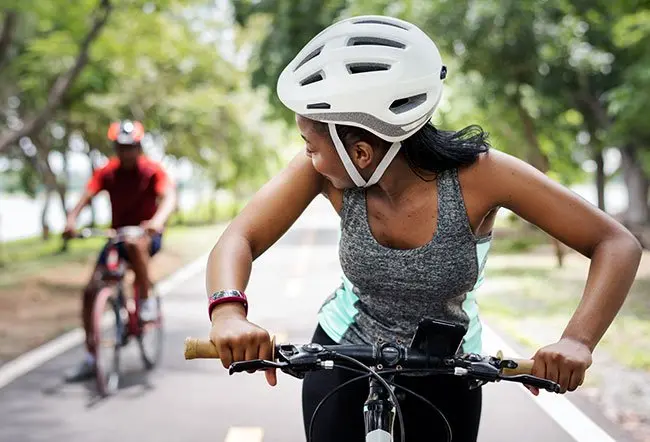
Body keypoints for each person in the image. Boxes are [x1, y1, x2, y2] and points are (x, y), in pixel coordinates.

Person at [204, 15, 642, 442]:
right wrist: (228, 313)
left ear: (359, 153)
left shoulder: (481, 176)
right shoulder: (323, 171)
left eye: (311, 145)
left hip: (447, 367)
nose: (307, 157)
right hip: (343, 357)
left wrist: (577, 341)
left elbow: (615, 244)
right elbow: (240, 237)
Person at [63, 120, 176, 382]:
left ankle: (145, 302)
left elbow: (170, 197)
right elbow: (85, 198)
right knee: (91, 290)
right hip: (116, 236)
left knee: (135, 245)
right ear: (115, 148)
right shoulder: (107, 172)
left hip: (146, 236)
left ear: (139, 147)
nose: (126, 152)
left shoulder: (151, 170)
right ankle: (91, 358)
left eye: (132, 147)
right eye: (121, 147)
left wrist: (157, 222)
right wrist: (71, 220)